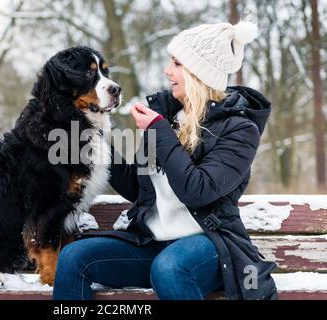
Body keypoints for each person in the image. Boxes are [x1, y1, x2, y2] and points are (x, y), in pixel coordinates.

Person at [52, 21, 278, 300]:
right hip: (153, 243)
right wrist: (92, 141)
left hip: (210, 246)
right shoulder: (167, 117)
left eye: (176, 63)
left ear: (199, 72)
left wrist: (158, 130)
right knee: (75, 257)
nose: (167, 70)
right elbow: (140, 189)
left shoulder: (239, 129)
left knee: (170, 267)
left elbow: (198, 191)